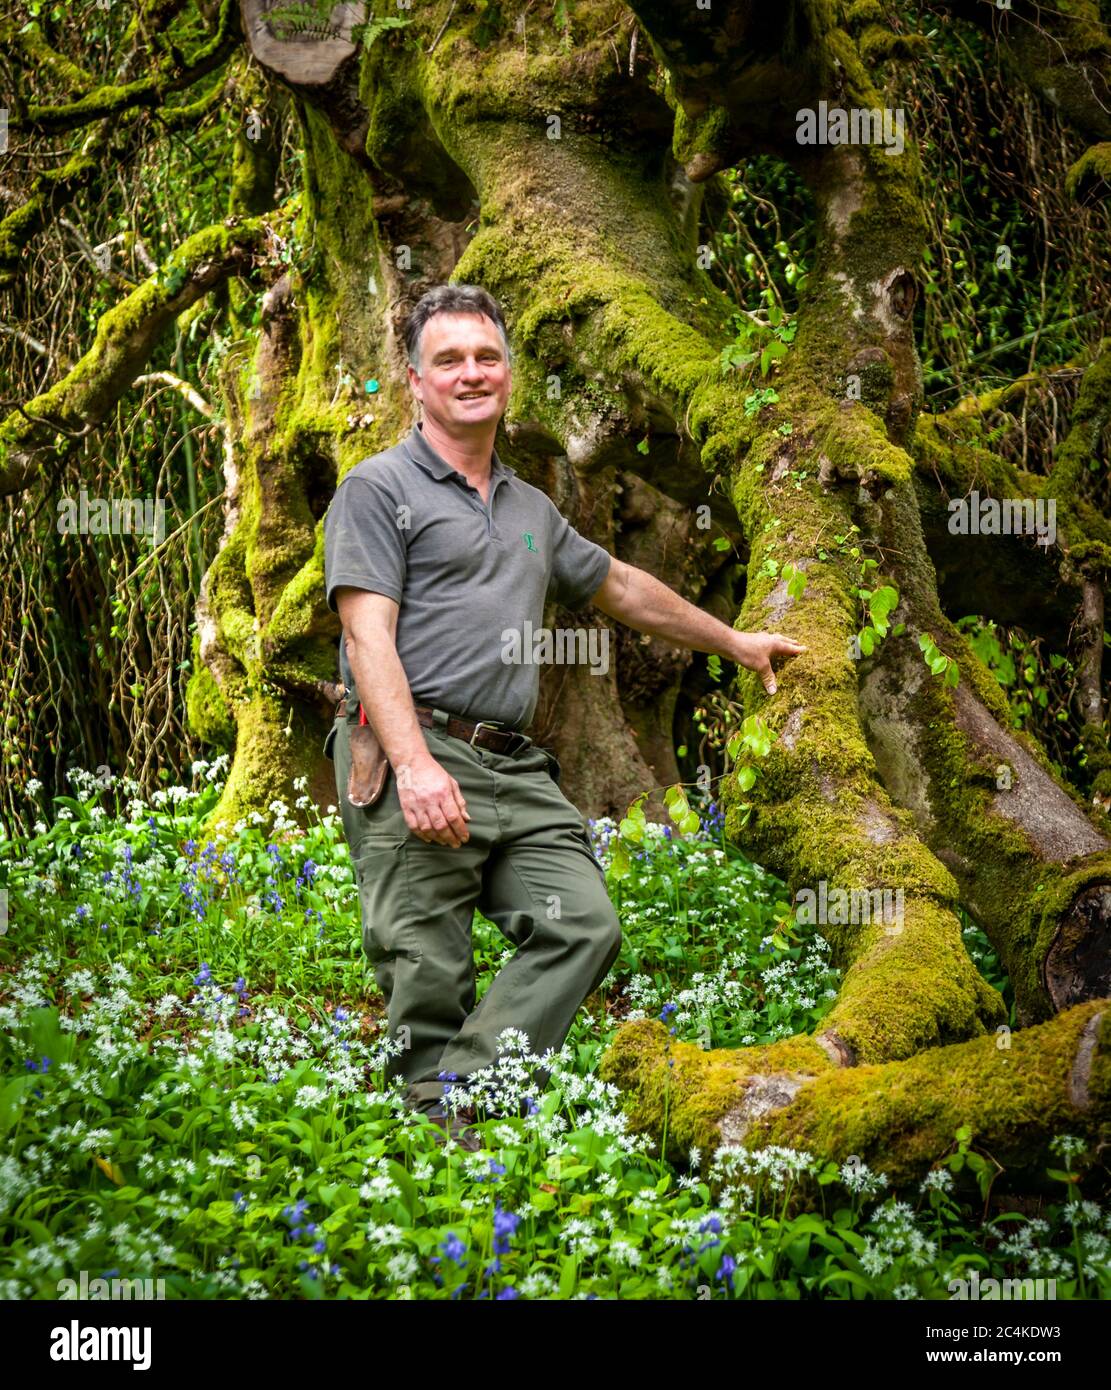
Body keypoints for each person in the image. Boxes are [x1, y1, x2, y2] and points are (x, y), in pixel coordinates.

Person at [323, 283, 804, 1143]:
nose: (471, 374)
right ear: (413, 382)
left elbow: (619, 586)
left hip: (513, 763)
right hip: (413, 746)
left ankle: (469, 1093)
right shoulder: (376, 489)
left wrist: (735, 643)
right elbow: (368, 639)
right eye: (449, 361)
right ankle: (436, 1160)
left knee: (581, 925)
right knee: (426, 970)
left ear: (507, 374)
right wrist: (414, 765)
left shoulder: (529, 508)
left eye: (486, 357)